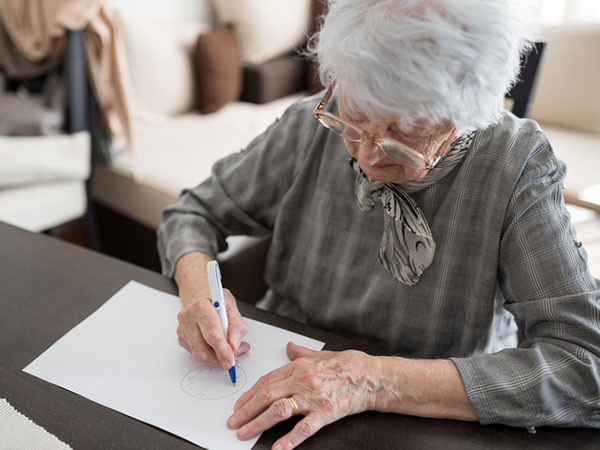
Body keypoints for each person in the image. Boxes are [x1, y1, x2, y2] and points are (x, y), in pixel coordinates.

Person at [158, 0, 600, 448]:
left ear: (467, 115)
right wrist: (199, 293)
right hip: (277, 379)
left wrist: (372, 379)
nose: (367, 157)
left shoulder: (514, 163)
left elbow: (586, 366)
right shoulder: (308, 123)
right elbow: (193, 213)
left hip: (424, 421)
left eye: (405, 133)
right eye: (354, 117)